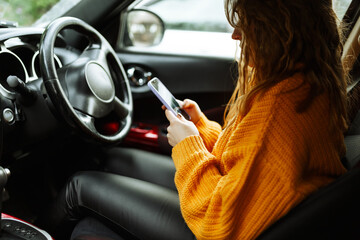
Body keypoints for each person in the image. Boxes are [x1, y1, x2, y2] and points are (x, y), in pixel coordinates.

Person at [37, 0, 349, 239]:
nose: (236, 34)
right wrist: (201, 129)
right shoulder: (304, 85)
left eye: (248, 23)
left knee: (80, 186)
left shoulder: (283, 105)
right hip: (246, 209)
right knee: (113, 158)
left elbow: (221, 222)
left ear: (282, 29)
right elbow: (251, 161)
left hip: (222, 224)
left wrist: (188, 144)